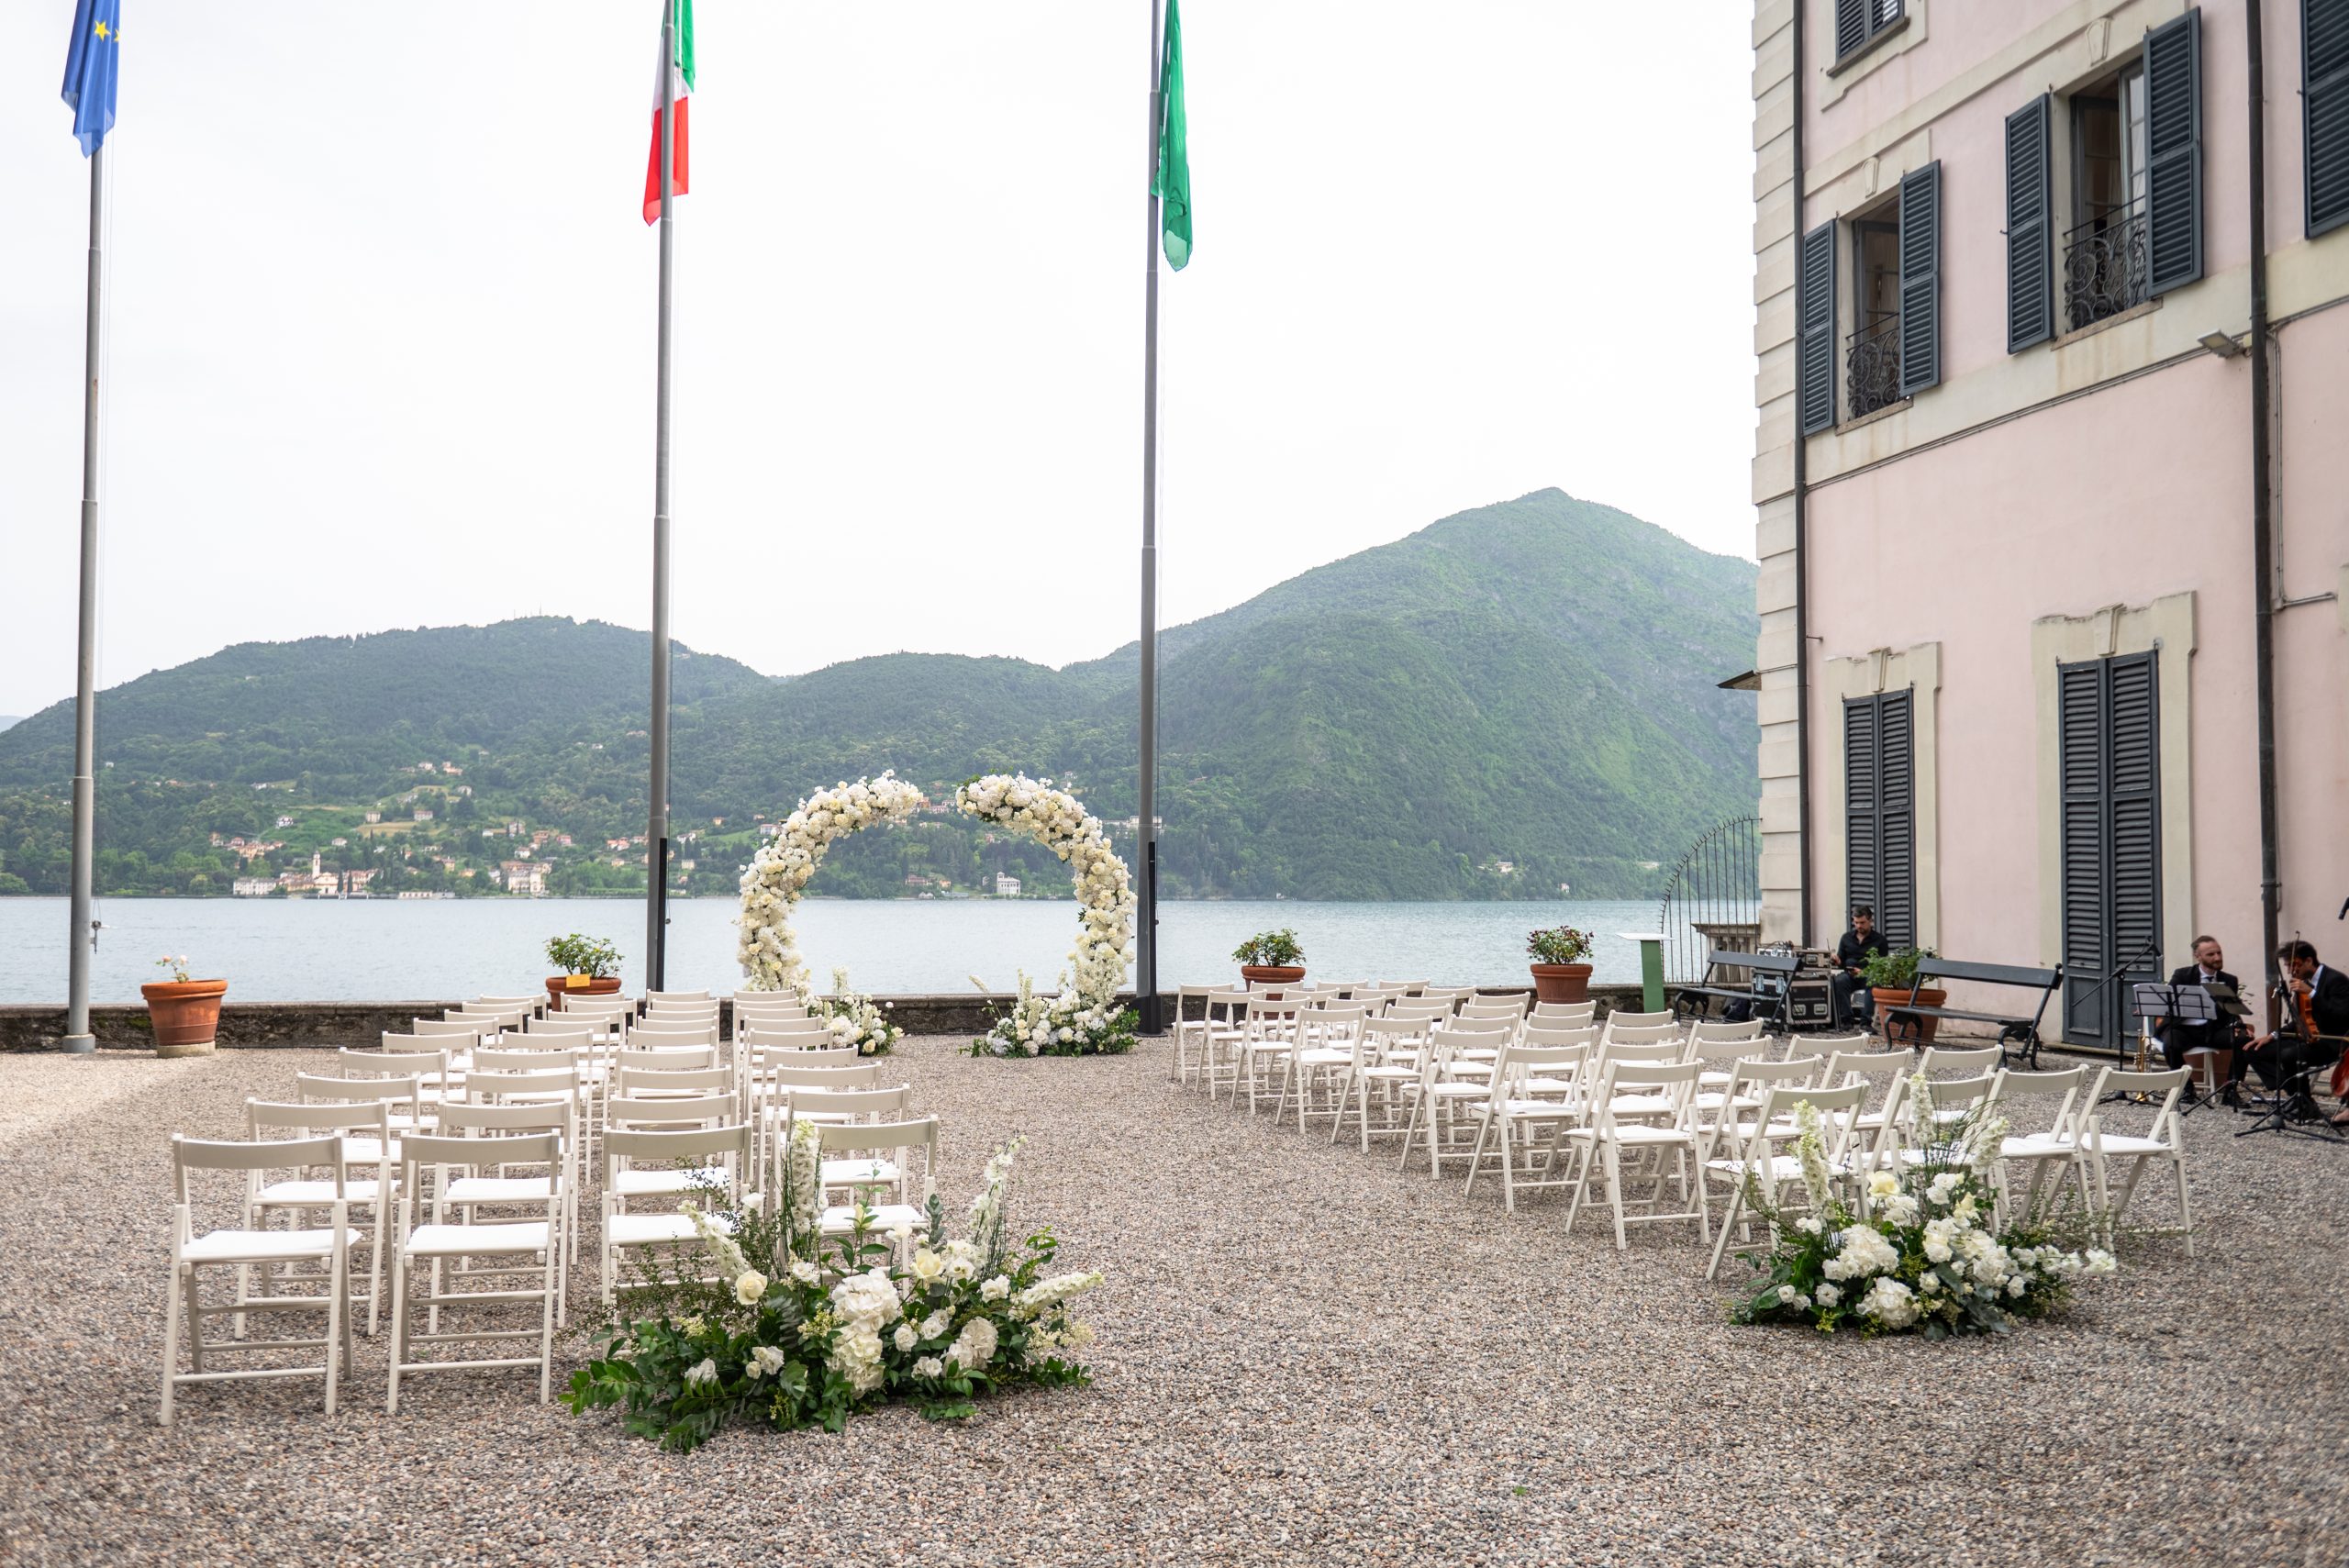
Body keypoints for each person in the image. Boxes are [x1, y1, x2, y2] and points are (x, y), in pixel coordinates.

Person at [2241, 940, 2349, 1124]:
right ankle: (2297, 1097)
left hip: (2333, 1041)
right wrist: (2272, 1036)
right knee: (2254, 1050)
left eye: (2294, 965)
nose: (2291, 970)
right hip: (2309, 1039)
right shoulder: (2303, 984)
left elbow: (2343, 1015)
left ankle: (2303, 1104)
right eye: (2288, 966)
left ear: (2308, 961)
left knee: (2290, 1055)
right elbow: (2299, 1021)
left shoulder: (2335, 980)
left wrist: (2313, 993)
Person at [2154, 935, 2249, 1092]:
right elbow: (2168, 1000)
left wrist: (2239, 1025)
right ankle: (2186, 1089)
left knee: (2244, 1040)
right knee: (2171, 1043)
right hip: (2184, 1029)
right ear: (2197, 957)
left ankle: (2230, 1090)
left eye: (2219, 953)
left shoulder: (2229, 980)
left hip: (2213, 1030)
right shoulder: (2183, 975)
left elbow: (2230, 1008)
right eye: (2211, 955)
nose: (2217, 958)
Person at [1831, 905, 1889, 1030]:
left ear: (1870, 920)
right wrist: (1837, 960)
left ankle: (1865, 1022)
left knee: (1873, 983)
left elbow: (1882, 966)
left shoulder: (1880, 940)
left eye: (1862, 923)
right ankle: (1846, 1020)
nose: (1859, 926)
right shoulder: (1846, 938)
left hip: (1869, 975)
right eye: (1856, 922)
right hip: (1850, 975)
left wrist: (1864, 972)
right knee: (1839, 981)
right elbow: (1841, 962)